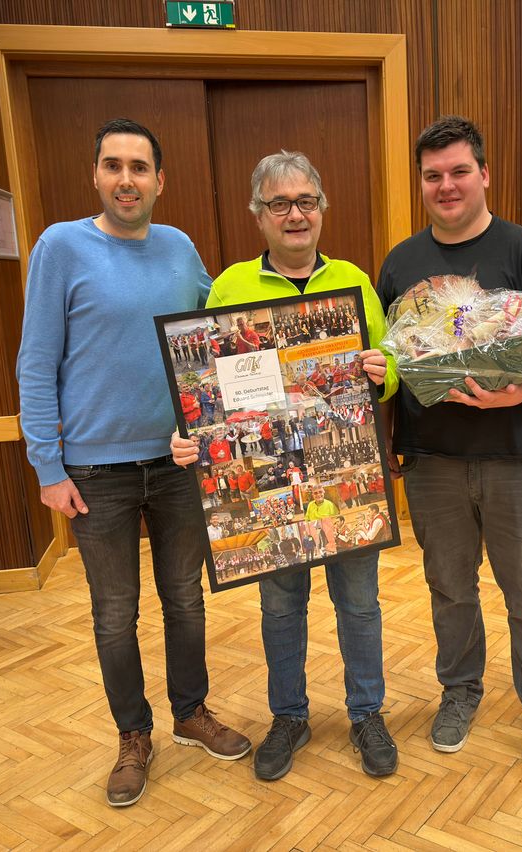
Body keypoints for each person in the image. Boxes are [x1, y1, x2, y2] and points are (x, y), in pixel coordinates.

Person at [16, 118, 250, 809]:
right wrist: (47, 468)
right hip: (95, 475)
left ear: (159, 181)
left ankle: (191, 713)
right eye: (114, 166)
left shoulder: (179, 249)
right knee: (114, 614)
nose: (126, 179)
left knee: (185, 601)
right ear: (96, 175)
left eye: (139, 168)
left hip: (177, 464)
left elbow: (213, 342)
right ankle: (133, 735)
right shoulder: (61, 246)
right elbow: (36, 362)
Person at [172, 150, 399, 781]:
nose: (294, 214)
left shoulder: (355, 281)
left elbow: (388, 372)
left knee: (359, 603)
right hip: (266, 481)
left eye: (305, 202)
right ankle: (289, 715)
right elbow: (207, 389)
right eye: (279, 204)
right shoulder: (230, 287)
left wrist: (383, 374)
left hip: (345, 475)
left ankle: (367, 713)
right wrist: (193, 429)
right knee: (280, 607)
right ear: (259, 216)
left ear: (322, 210)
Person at [377, 115, 522, 791]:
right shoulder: (400, 263)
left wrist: (513, 394)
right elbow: (387, 357)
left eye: (460, 171)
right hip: (431, 458)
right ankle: (460, 690)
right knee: (449, 590)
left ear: (485, 174)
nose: (447, 185)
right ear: (422, 182)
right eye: (433, 175)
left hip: (516, 453)